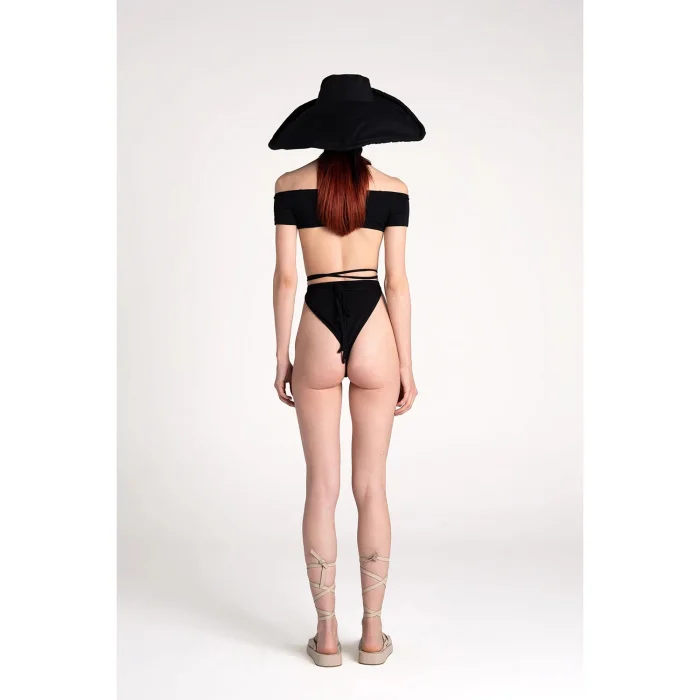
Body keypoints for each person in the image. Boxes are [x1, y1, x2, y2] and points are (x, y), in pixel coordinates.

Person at [269, 74, 424, 666]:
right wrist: (406, 362)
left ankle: (327, 637)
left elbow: (287, 277)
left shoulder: (288, 185)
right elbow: (397, 283)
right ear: (369, 127)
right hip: (373, 327)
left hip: (316, 325)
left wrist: (280, 355)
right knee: (371, 487)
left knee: (322, 487)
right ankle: (374, 636)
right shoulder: (393, 189)